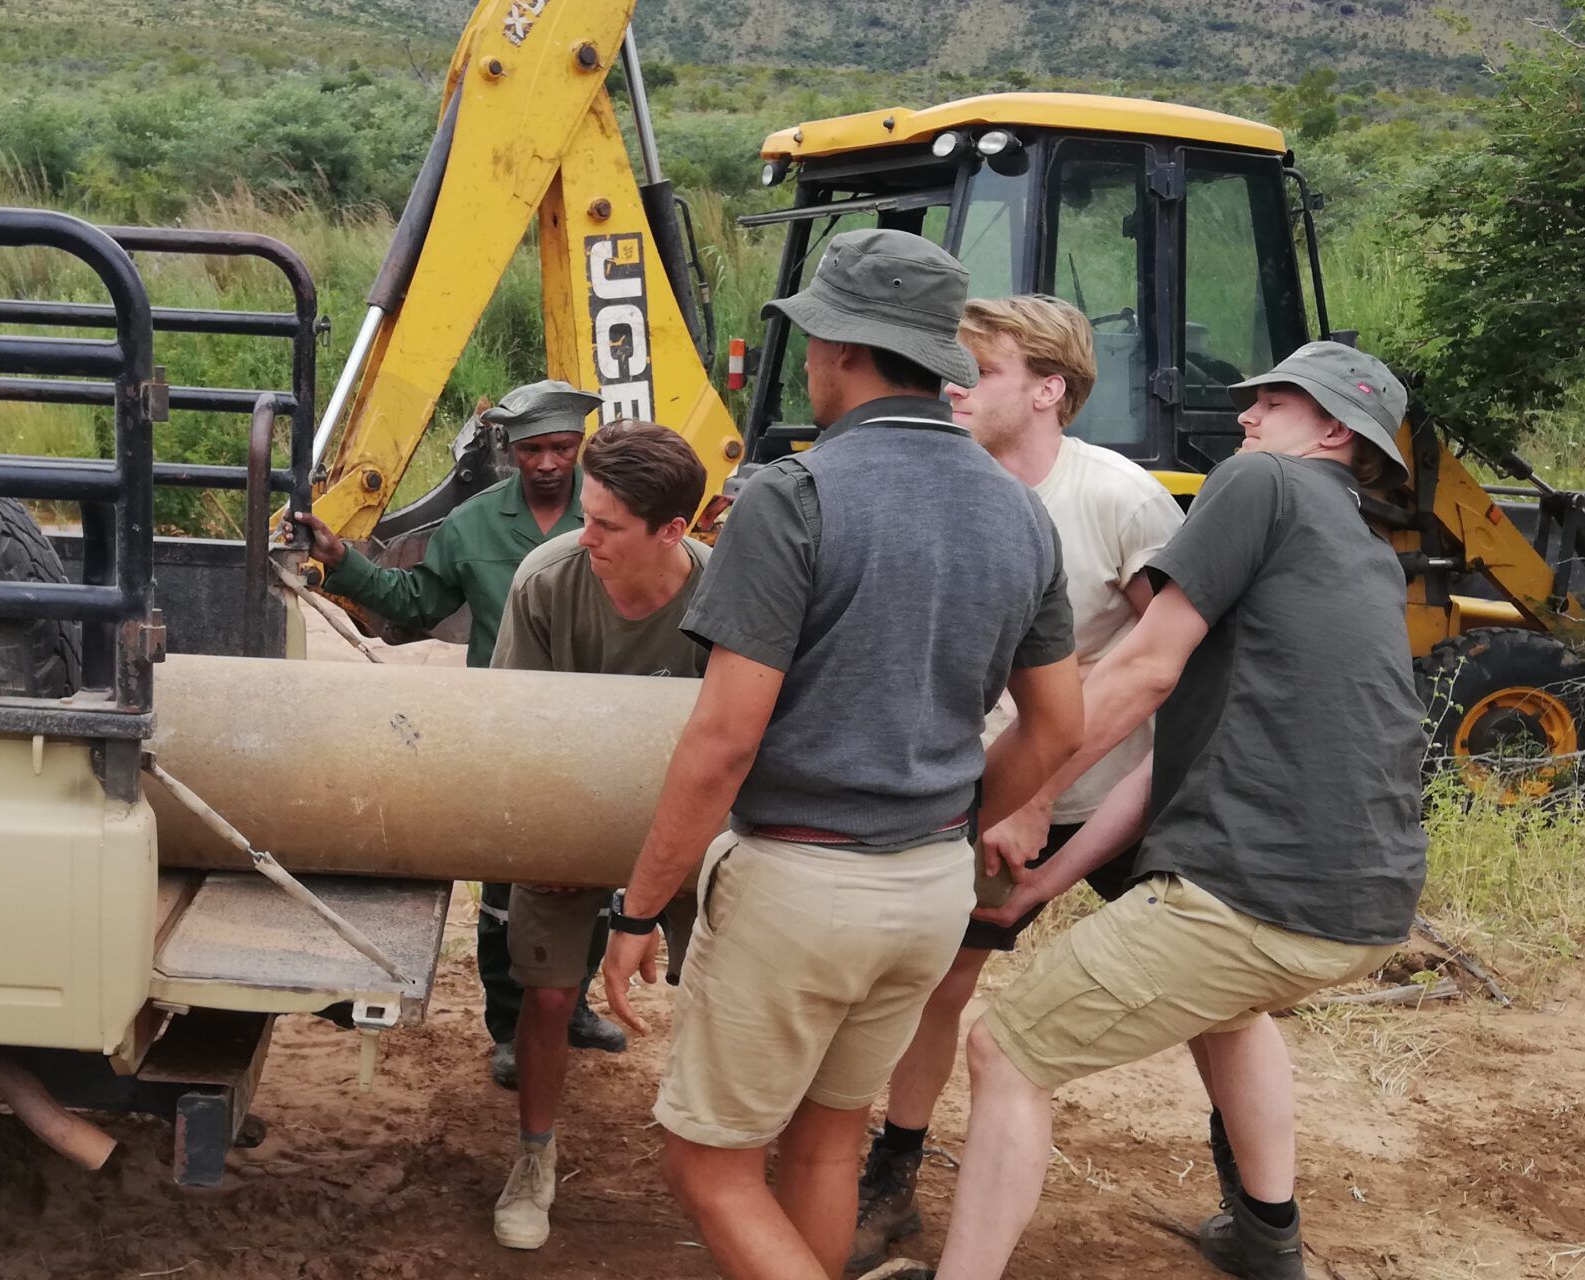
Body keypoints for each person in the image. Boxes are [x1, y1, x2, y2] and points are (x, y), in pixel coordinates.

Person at [598, 228, 1084, 1280]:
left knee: (706, 1163)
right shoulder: (1017, 513)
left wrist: (638, 907)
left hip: (799, 881)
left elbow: (725, 738)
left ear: (839, 349)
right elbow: (1058, 727)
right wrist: (955, 819)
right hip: (925, 891)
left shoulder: (793, 495)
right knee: (825, 1137)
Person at [910, 341, 1429, 1280]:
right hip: (1365, 907)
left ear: (1334, 432)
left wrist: (978, 795)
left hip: (1257, 895)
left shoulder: (1263, 483)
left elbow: (1141, 672)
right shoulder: (1360, 552)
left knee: (1008, 1048)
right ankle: (1267, 1240)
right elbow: (1171, 764)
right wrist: (1043, 886)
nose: (1247, 417)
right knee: (1224, 1009)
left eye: (1273, 401)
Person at [848, 295, 1183, 1268]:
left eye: (982, 370)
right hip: (992, 795)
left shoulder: (1118, 498)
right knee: (939, 983)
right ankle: (894, 1177)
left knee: (1219, 1005)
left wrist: (1075, 787)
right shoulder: (954, 488)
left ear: (1048, 388)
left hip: (1120, 793)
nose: (956, 385)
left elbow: (1177, 665)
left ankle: (1258, 1205)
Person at [294, 379, 628, 1088]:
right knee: (506, 892)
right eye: (533, 449)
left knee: (591, 877)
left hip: (595, 727)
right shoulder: (472, 526)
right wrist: (346, 560)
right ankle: (510, 1027)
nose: (547, 463)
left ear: (580, 448)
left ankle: (571, 1006)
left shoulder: (608, 517)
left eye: (563, 448)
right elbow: (416, 602)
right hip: (502, 730)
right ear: (508, 449)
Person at [487, 418, 712, 1251]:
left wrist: (662, 880)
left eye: (608, 526)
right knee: (547, 993)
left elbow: (735, 747)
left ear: (673, 530)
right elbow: (516, 727)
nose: (586, 537)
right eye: (587, 514)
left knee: (727, 986)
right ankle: (534, 1158)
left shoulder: (724, 596)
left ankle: (723, 1160)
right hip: (568, 810)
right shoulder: (548, 581)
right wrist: (545, 840)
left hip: (686, 826)